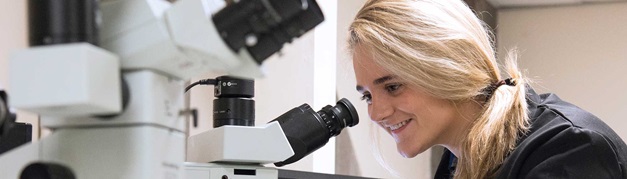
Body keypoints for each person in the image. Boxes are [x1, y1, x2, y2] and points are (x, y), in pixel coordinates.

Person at [348, 0, 627, 178]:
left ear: (449, 65)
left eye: (393, 86)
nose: (377, 112)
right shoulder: (457, 164)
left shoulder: (569, 148)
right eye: (368, 96)